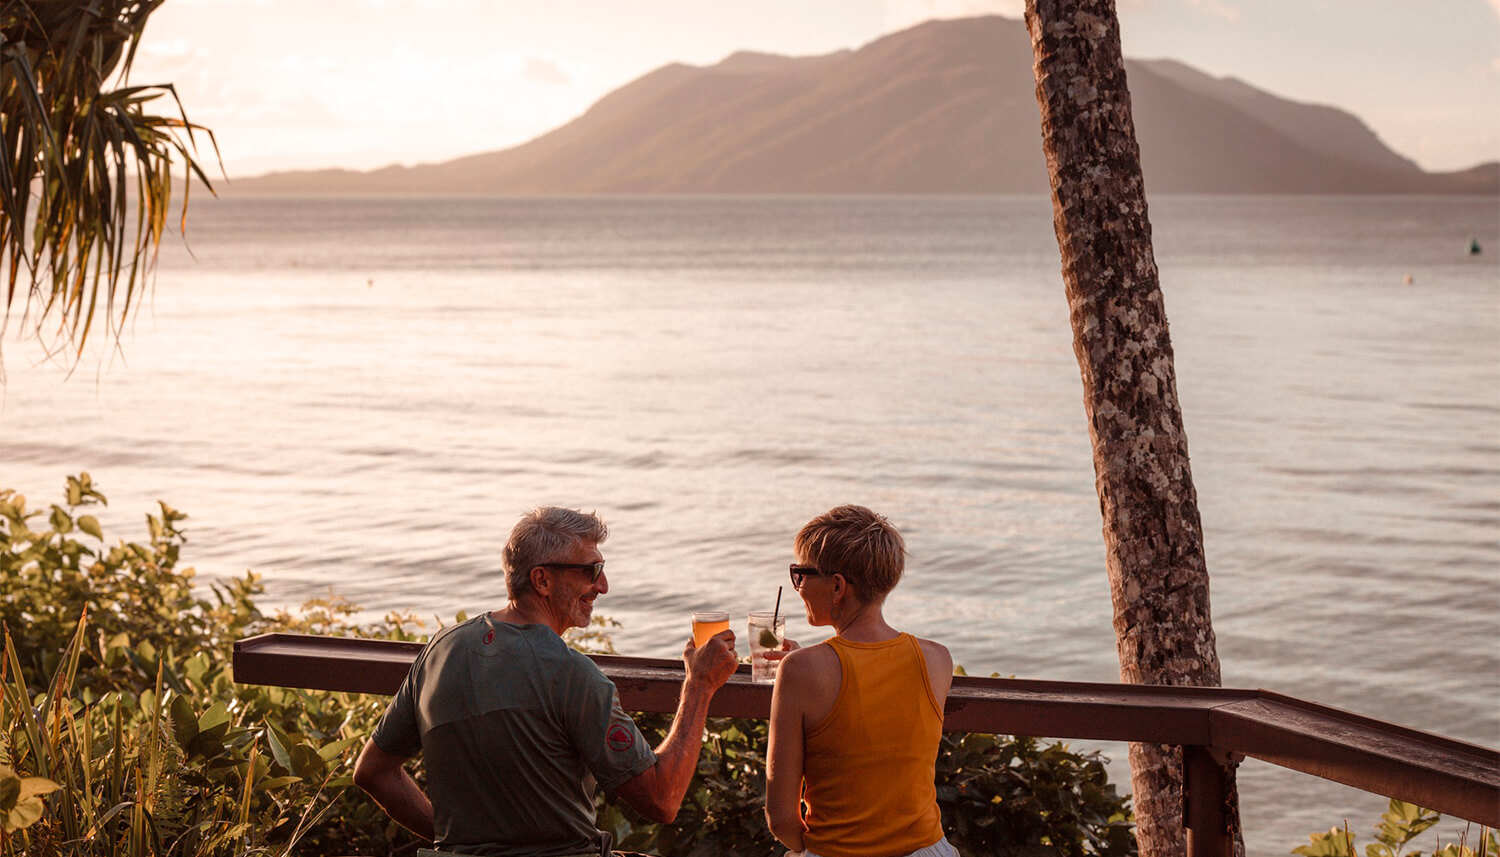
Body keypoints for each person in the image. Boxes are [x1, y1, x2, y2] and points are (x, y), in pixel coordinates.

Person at [353, 506, 739, 857]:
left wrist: (456, 843)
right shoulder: (571, 674)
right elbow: (662, 798)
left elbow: (373, 772)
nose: (603, 586)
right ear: (542, 580)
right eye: (590, 572)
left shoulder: (440, 650)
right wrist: (699, 687)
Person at [764, 505, 957, 857]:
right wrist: (819, 658)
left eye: (801, 574)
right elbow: (872, 681)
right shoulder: (937, 659)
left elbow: (780, 818)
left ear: (837, 586)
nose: (799, 586)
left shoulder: (801, 671)